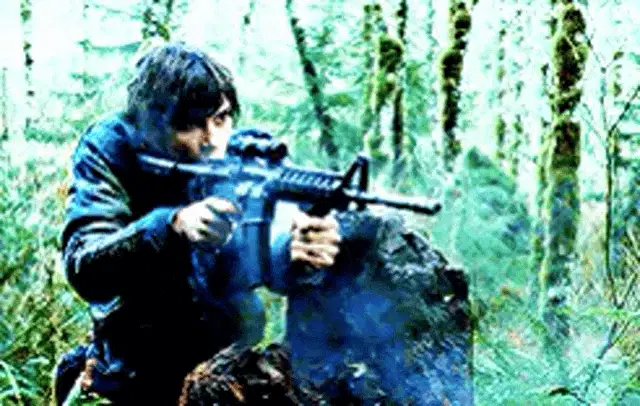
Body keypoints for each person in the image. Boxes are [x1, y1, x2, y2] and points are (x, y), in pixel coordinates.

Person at [55, 42, 341, 405]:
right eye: (189, 125)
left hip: (227, 361)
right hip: (135, 363)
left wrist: (295, 249)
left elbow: (252, 258)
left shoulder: (243, 155)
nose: (213, 141)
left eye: (221, 118)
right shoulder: (110, 150)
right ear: (150, 124)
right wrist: (172, 227)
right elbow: (85, 267)